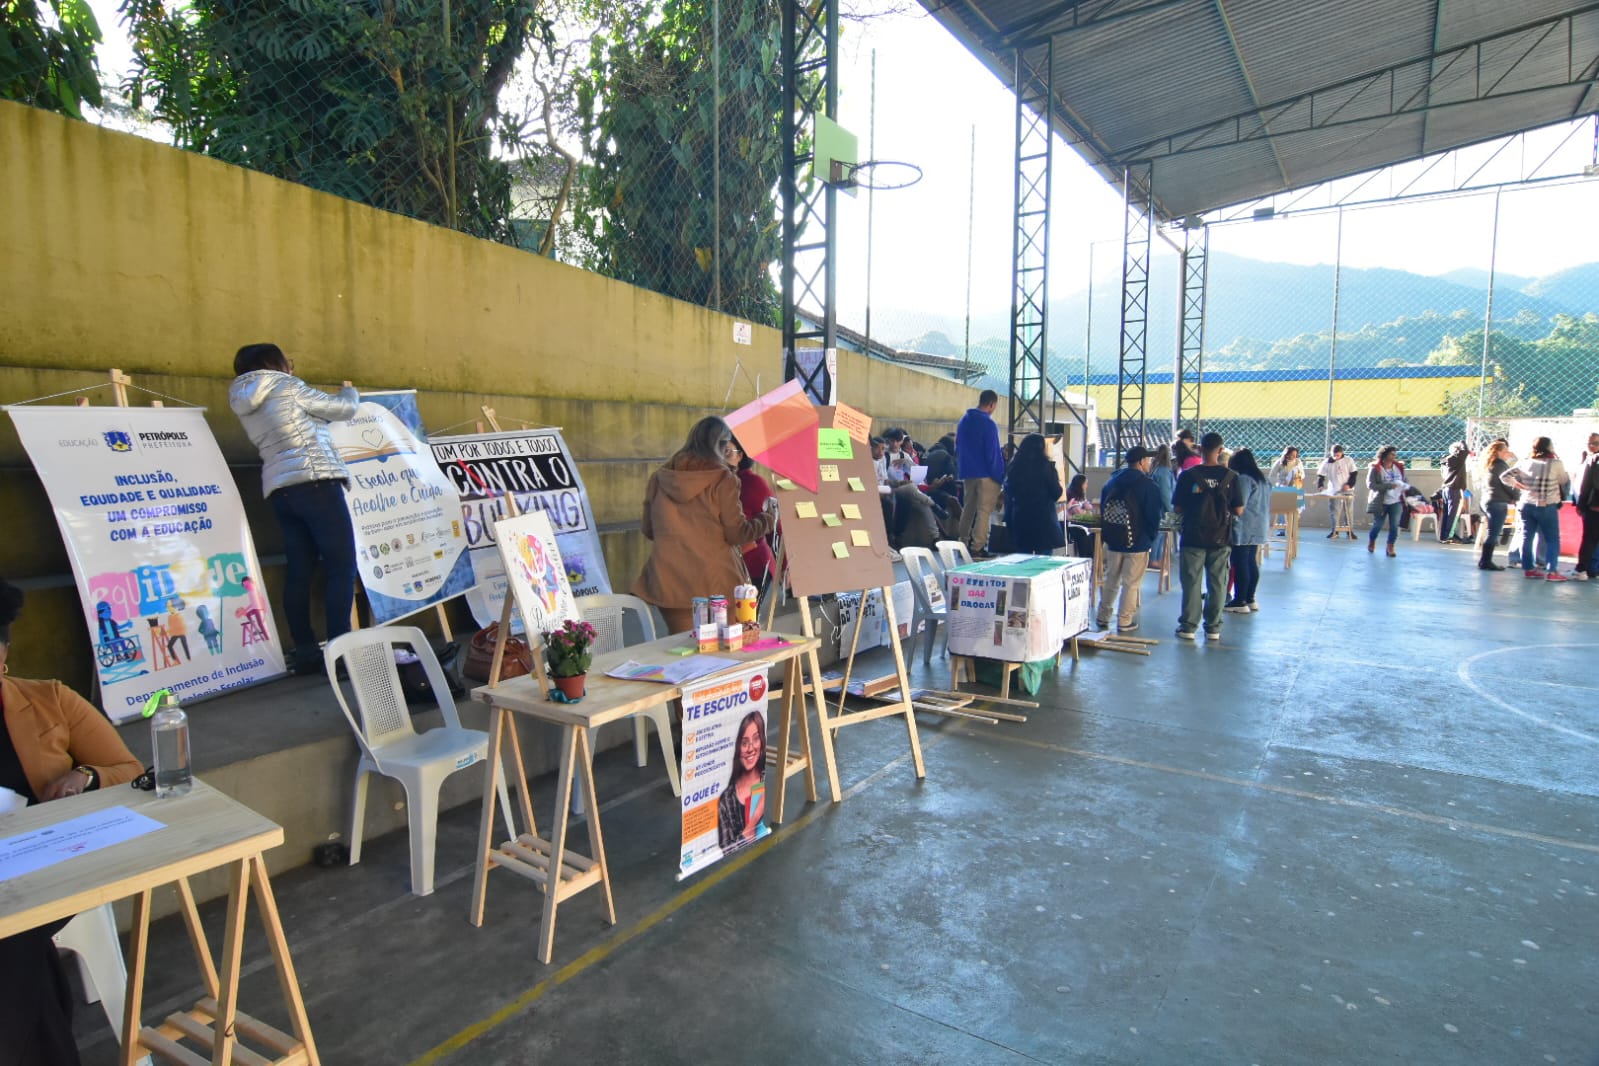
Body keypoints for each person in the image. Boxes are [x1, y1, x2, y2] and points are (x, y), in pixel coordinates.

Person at [0, 577, 142, 1066]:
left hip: (50, 859)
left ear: (4, 654)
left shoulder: (50, 700)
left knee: (11, 935)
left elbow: (131, 771)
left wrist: (84, 776)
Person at [229, 343, 360, 675]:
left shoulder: (242, 397)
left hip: (279, 490)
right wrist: (350, 392)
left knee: (299, 571)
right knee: (340, 568)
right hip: (317, 481)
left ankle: (304, 651)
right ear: (276, 363)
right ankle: (342, 656)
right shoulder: (288, 386)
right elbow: (341, 409)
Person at [634, 417, 778, 633]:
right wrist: (768, 518)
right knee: (725, 654)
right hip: (718, 582)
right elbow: (737, 533)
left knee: (682, 653)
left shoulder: (659, 478)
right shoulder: (723, 480)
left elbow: (649, 529)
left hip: (669, 582)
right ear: (721, 446)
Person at [1172, 432, 1244, 641]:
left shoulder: (1187, 475)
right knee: (1218, 583)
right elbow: (1239, 510)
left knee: (1191, 582)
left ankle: (1188, 626)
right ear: (1221, 450)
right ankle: (1213, 627)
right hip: (1221, 537)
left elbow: (1177, 508)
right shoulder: (1231, 477)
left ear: (1200, 449)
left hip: (1193, 536)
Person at [1095, 446, 1163, 632]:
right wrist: (1150, 537)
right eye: (1147, 460)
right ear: (1141, 462)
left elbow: (1103, 509)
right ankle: (1124, 620)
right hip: (1137, 542)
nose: (1149, 463)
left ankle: (1103, 616)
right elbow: (1153, 516)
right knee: (1131, 583)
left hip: (1113, 539)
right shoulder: (1148, 485)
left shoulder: (1111, 481)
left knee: (1111, 579)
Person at [1500, 436, 1570, 582]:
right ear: (1550, 447)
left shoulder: (1525, 462)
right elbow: (1563, 480)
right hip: (1547, 505)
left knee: (1527, 537)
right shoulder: (1556, 463)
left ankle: (1529, 569)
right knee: (1552, 539)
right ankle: (1552, 572)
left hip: (1526, 504)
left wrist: (1517, 485)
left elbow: (1504, 476)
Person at [956, 389, 1006, 557]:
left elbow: (959, 447)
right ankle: (977, 547)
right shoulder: (989, 424)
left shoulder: (964, 421)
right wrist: (999, 475)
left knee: (968, 508)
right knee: (984, 511)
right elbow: (992, 453)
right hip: (986, 474)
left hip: (968, 472)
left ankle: (961, 543)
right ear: (992, 404)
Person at [727, 437, 775, 592]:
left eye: (727, 451)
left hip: (752, 567)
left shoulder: (754, 483)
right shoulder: (720, 483)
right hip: (726, 566)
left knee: (745, 615)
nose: (721, 457)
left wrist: (787, 567)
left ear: (740, 455)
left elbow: (776, 526)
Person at [1225, 449, 1271, 614]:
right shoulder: (1263, 479)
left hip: (1244, 526)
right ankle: (1250, 598)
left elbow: (1239, 506)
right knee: (1251, 561)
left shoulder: (1244, 479)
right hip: (1260, 525)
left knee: (1240, 562)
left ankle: (1239, 600)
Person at [1003, 434, 1064, 555]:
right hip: (1043, 520)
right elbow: (1057, 492)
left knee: (1022, 559)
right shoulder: (1046, 466)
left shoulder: (1014, 467)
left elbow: (1009, 493)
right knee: (1043, 563)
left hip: (1021, 519)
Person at [717, 711, 767, 851]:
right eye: (744, 743)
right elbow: (728, 850)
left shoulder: (769, 780)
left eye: (756, 739)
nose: (751, 748)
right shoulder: (726, 801)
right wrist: (754, 821)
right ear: (737, 747)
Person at [1477, 439, 1517, 572]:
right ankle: (1486, 561)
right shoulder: (1500, 466)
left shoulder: (1490, 464)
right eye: (1505, 451)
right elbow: (1508, 483)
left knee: (1492, 532)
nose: (1507, 453)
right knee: (1494, 533)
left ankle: (1485, 560)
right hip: (1498, 502)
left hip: (1488, 500)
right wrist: (1516, 496)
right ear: (1499, 452)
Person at [1365, 446, 1409, 557]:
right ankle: (1372, 541)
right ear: (1384, 455)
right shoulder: (1376, 468)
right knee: (1378, 525)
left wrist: (1404, 486)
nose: (1394, 456)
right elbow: (1371, 485)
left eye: (1395, 454)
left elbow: (1405, 480)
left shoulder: (1399, 467)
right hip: (1381, 501)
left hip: (1396, 500)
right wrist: (1389, 486)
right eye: (1391, 454)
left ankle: (1390, 546)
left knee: (1395, 525)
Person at [1317, 444, 1358, 539]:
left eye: (1338, 455)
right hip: (1334, 489)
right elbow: (1321, 475)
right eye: (1334, 455)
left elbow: (1354, 474)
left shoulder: (1348, 460)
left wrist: (1349, 485)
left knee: (1349, 510)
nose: (1335, 457)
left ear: (1342, 453)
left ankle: (1350, 531)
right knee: (1335, 511)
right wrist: (1320, 485)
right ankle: (1334, 531)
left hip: (1347, 489)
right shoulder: (1327, 462)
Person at [1574, 431, 1599, 581]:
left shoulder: (1593, 460)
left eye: (1595, 443)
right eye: (1589, 443)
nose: (1591, 446)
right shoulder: (1589, 458)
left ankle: (1582, 568)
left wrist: (1581, 504)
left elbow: (1587, 484)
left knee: (1589, 538)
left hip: (1593, 506)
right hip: (1593, 506)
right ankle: (1591, 568)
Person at [1266, 446, 1303, 537]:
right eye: (1291, 455)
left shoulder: (1298, 462)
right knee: (1282, 509)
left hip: (1296, 487)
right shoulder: (1279, 462)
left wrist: (1297, 478)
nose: (1293, 457)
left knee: (1297, 508)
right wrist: (1278, 484)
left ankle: (1293, 527)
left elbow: (1302, 474)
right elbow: (1272, 475)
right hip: (1283, 487)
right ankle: (1282, 528)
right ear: (1286, 454)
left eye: (1295, 455)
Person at [1440, 441, 1472, 543]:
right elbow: (1465, 451)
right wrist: (1462, 442)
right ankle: (1449, 536)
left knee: (1447, 514)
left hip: (1446, 489)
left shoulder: (1446, 460)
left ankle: (1444, 535)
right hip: (1454, 489)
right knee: (1453, 515)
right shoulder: (1457, 459)